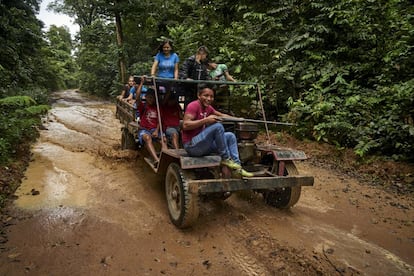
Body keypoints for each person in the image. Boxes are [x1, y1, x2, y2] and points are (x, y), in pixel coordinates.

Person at [181, 84, 253, 177]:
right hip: (192, 146)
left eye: (211, 96)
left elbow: (221, 115)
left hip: (204, 145)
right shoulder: (193, 105)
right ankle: (226, 158)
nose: (209, 99)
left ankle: (237, 168)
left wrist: (238, 119)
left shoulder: (208, 108)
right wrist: (206, 120)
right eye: (206, 95)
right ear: (199, 96)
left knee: (230, 136)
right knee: (218, 127)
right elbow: (185, 125)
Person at [136, 80, 162, 165]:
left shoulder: (157, 107)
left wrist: (156, 131)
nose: (151, 99)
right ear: (146, 97)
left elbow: (159, 120)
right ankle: (156, 160)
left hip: (154, 129)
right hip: (144, 129)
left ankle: (166, 159)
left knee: (164, 140)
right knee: (147, 138)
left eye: (153, 97)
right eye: (149, 97)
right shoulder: (143, 106)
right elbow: (137, 97)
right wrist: (141, 83)